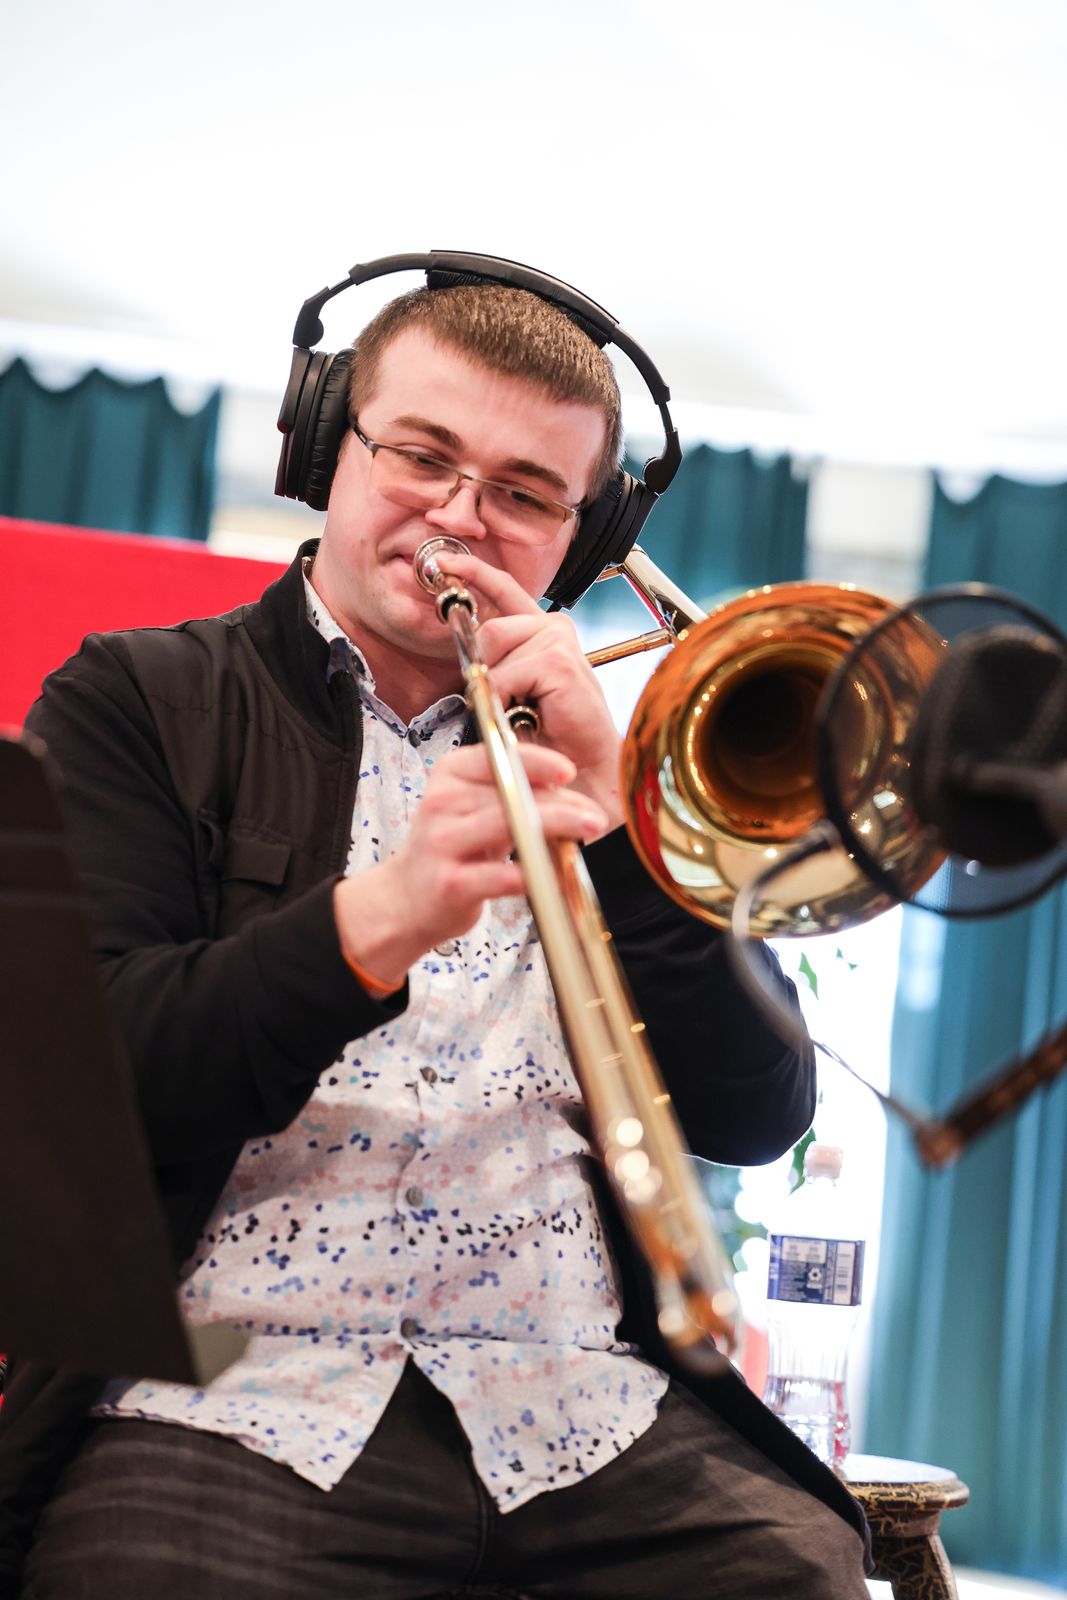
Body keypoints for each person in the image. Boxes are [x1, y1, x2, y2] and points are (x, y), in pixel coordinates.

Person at [0, 271, 871, 1598]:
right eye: (422, 456)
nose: (461, 516)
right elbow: (89, 1081)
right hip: (237, 1387)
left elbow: (757, 1113)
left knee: (800, 1576)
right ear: (328, 449)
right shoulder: (139, 698)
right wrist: (378, 920)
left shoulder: (606, 765)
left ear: (581, 537)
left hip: (584, 1405)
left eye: (524, 493)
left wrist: (625, 829)